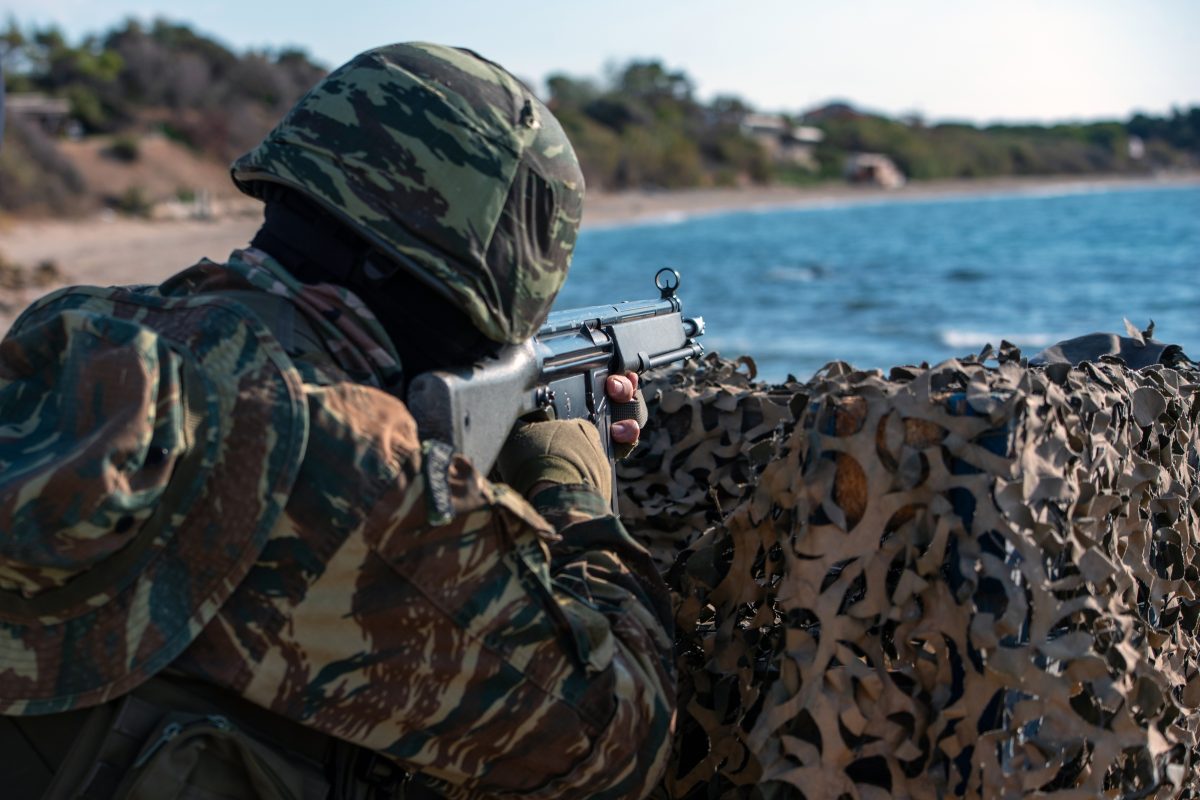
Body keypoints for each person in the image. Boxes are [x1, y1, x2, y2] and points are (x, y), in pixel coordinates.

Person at [0, 43, 673, 799]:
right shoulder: (346, 470)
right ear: (471, 297)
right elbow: (616, 745)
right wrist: (569, 479)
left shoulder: (73, 328)